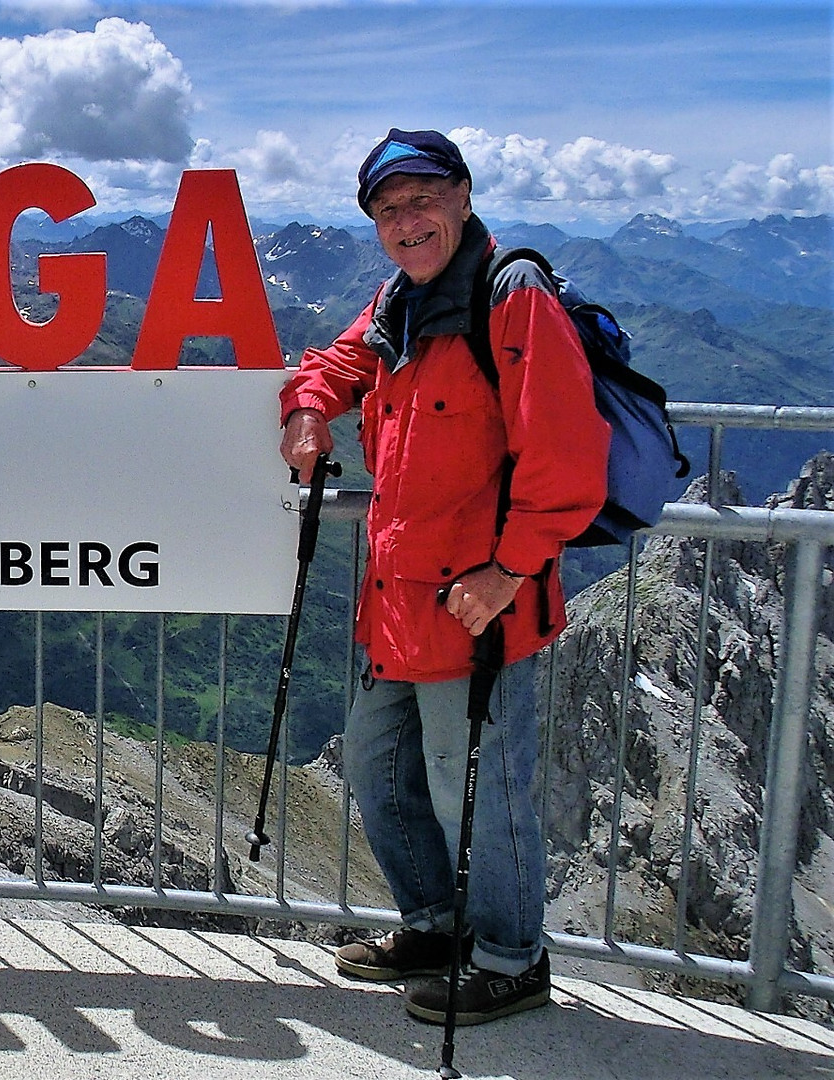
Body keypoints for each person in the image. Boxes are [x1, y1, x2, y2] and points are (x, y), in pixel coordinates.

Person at [277, 128, 609, 1025]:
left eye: (422, 199)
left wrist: (508, 570)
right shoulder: (400, 300)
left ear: (462, 197)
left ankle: (510, 958)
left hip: (479, 608)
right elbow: (336, 363)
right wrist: (308, 413)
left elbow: (570, 458)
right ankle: (436, 926)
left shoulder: (514, 297)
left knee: (482, 790)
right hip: (399, 604)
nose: (406, 221)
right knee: (381, 767)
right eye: (388, 211)